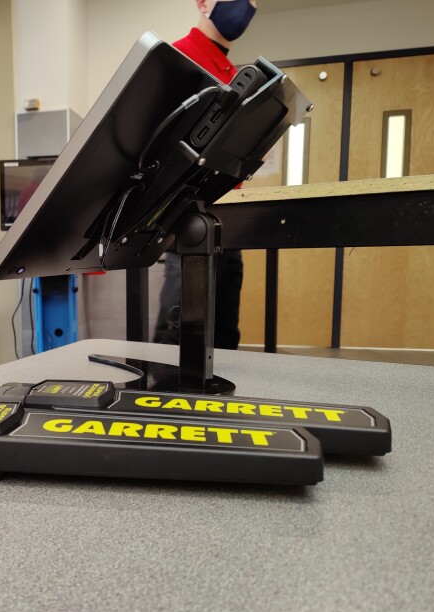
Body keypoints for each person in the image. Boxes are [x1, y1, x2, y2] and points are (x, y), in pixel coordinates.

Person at [153, 0, 257, 350]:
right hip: (189, 216)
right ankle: (162, 404)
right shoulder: (178, 58)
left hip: (230, 218)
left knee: (225, 334)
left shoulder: (234, 73)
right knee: (178, 333)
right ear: (202, 3)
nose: (247, 5)